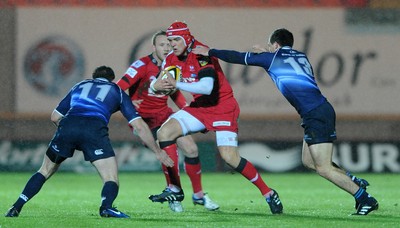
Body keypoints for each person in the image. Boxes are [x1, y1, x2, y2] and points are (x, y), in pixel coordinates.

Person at [192, 28, 378, 215]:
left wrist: (210, 52)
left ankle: (364, 198)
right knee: (309, 162)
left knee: (323, 168)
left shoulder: (271, 58)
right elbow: (281, 59)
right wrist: (267, 53)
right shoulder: (301, 56)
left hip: (315, 113)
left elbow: (237, 57)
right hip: (319, 110)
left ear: (275, 44)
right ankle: (352, 179)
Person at [149, 21, 283, 215]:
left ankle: (268, 193)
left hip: (222, 108)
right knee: (164, 133)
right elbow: (160, 85)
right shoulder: (171, 59)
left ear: (186, 38)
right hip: (200, 108)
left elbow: (207, 87)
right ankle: (175, 189)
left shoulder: (202, 54)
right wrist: (155, 87)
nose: (173, 44)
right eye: (170, 40)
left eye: (177, 39)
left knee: (230, 158)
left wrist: (176, 83)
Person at [4, 66, 173, 218]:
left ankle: (16, 206)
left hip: (69, 125)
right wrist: (158, 152)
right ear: (111, 79)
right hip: (94, 129)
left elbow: (55, 117)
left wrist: (69, 130)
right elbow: (139, 126)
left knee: (44, 171)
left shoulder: (79, 85)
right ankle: (106, 207)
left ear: (94, 77)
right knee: (110, 177)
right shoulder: (116, 90)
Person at [116, 30, 219, 212]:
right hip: (145, 121)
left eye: (169, 44)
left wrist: (192, 113)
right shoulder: (142, 65)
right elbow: (117, 88)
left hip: (164, 115)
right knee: (169, 153)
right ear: (153, 47)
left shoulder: (172, 65)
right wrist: (129, 103)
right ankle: (174, 193)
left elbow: (176, 94)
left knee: (192, 149)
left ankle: (199, 195)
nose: (166, 48)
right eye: (162, 44)